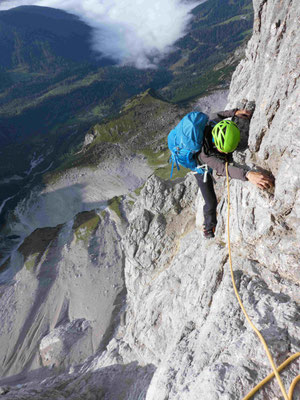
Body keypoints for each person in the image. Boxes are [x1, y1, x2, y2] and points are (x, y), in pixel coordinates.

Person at [194, 108, 274, 239]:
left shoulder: (213, 123)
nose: (226, 153)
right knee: (210, 200)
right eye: (224, 150)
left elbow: (218, 113)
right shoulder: (205, 156)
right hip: (199, 166)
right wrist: (248, 175)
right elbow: (222, 169)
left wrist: (234, 112)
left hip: (211, 148)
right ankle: (208, 227)